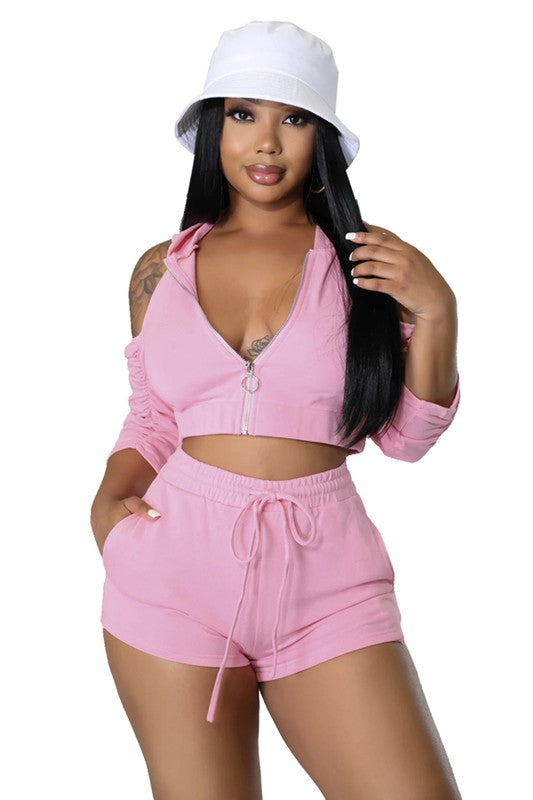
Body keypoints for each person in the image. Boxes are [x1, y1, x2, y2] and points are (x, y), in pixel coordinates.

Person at [90, 20, 463, 800]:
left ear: (320, 137)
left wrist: (436, 314)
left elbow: (404, 439)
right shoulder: (161, 271)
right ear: (212, 130)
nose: (265, 142)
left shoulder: (365, 267)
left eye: (292, 118)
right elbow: (154, 415)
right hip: (171, 576)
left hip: (328, 582)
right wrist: (108, 504)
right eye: (241, 114)